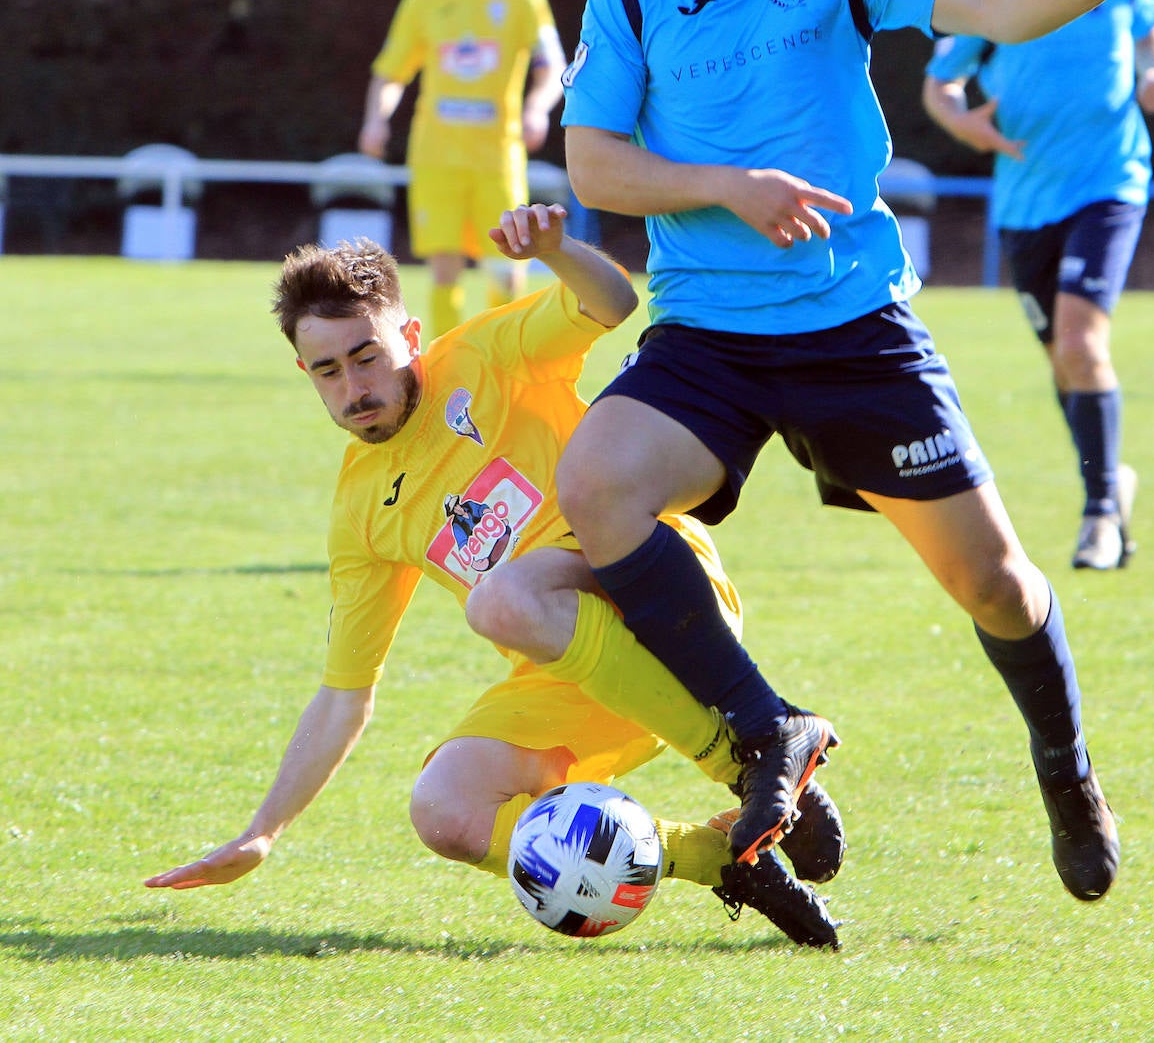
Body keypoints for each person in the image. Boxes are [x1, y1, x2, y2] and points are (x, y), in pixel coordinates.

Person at [557, 0, 1154, 902]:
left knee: (995, 585)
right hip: (710, 338)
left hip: (857, 332)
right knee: (594, 484)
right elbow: (593, 161)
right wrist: (730, 186)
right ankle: (768, 729)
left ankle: (1069, 769)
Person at [144, 209, 841, 950]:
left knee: (502, 598)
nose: (354, 387)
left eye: (366, 356)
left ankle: (749, 760)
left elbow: (611, 302)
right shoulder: (361, 514)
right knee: (443, 808)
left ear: (409, 337)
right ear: (305, 374)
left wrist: (555, 250)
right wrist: (263, 833)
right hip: (577, 668)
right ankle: (724, 861)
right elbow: (346, 692)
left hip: (667, 595)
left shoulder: (484, 356)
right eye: (328, 370)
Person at [923, 0, 1154, 572]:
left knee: (1079, 342)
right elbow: (939, 88)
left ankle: (1099, 510)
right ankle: (1111, 487)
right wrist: (963, 121)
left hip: (1108, 185)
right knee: (1063, 361)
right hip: (1023, 207)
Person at [358, 0, 568, 338]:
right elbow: (391, 73)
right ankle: (448, 358)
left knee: (508, 268)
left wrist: (537, 108)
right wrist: (376, 119)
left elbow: (552, 65)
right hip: (437, 157)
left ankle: (501, 353)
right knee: (444, 269)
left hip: (498, 156)